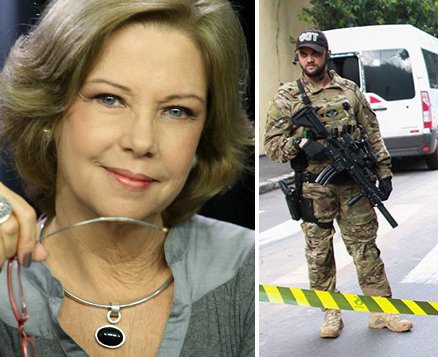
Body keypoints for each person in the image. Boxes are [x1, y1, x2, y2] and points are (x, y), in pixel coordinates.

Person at [0, 0, 254, 355]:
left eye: (176, 110)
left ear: (205, 132)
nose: (141, 141)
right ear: (49, 110)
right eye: (110, 98)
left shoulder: (247, 270)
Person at [263, 30, 411, 339]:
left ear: (326, 54)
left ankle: (381, 310)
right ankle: (331, 314)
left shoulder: (350, 90)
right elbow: (273, 147)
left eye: (315, 53)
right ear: (298, 57)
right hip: (315, 188)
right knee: (319, 254)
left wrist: (383, 171)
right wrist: (302, 143)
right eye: (304, 53)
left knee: (365, 248)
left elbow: (372, 132)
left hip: (353, 185)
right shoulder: (287, 97)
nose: (309, 59)